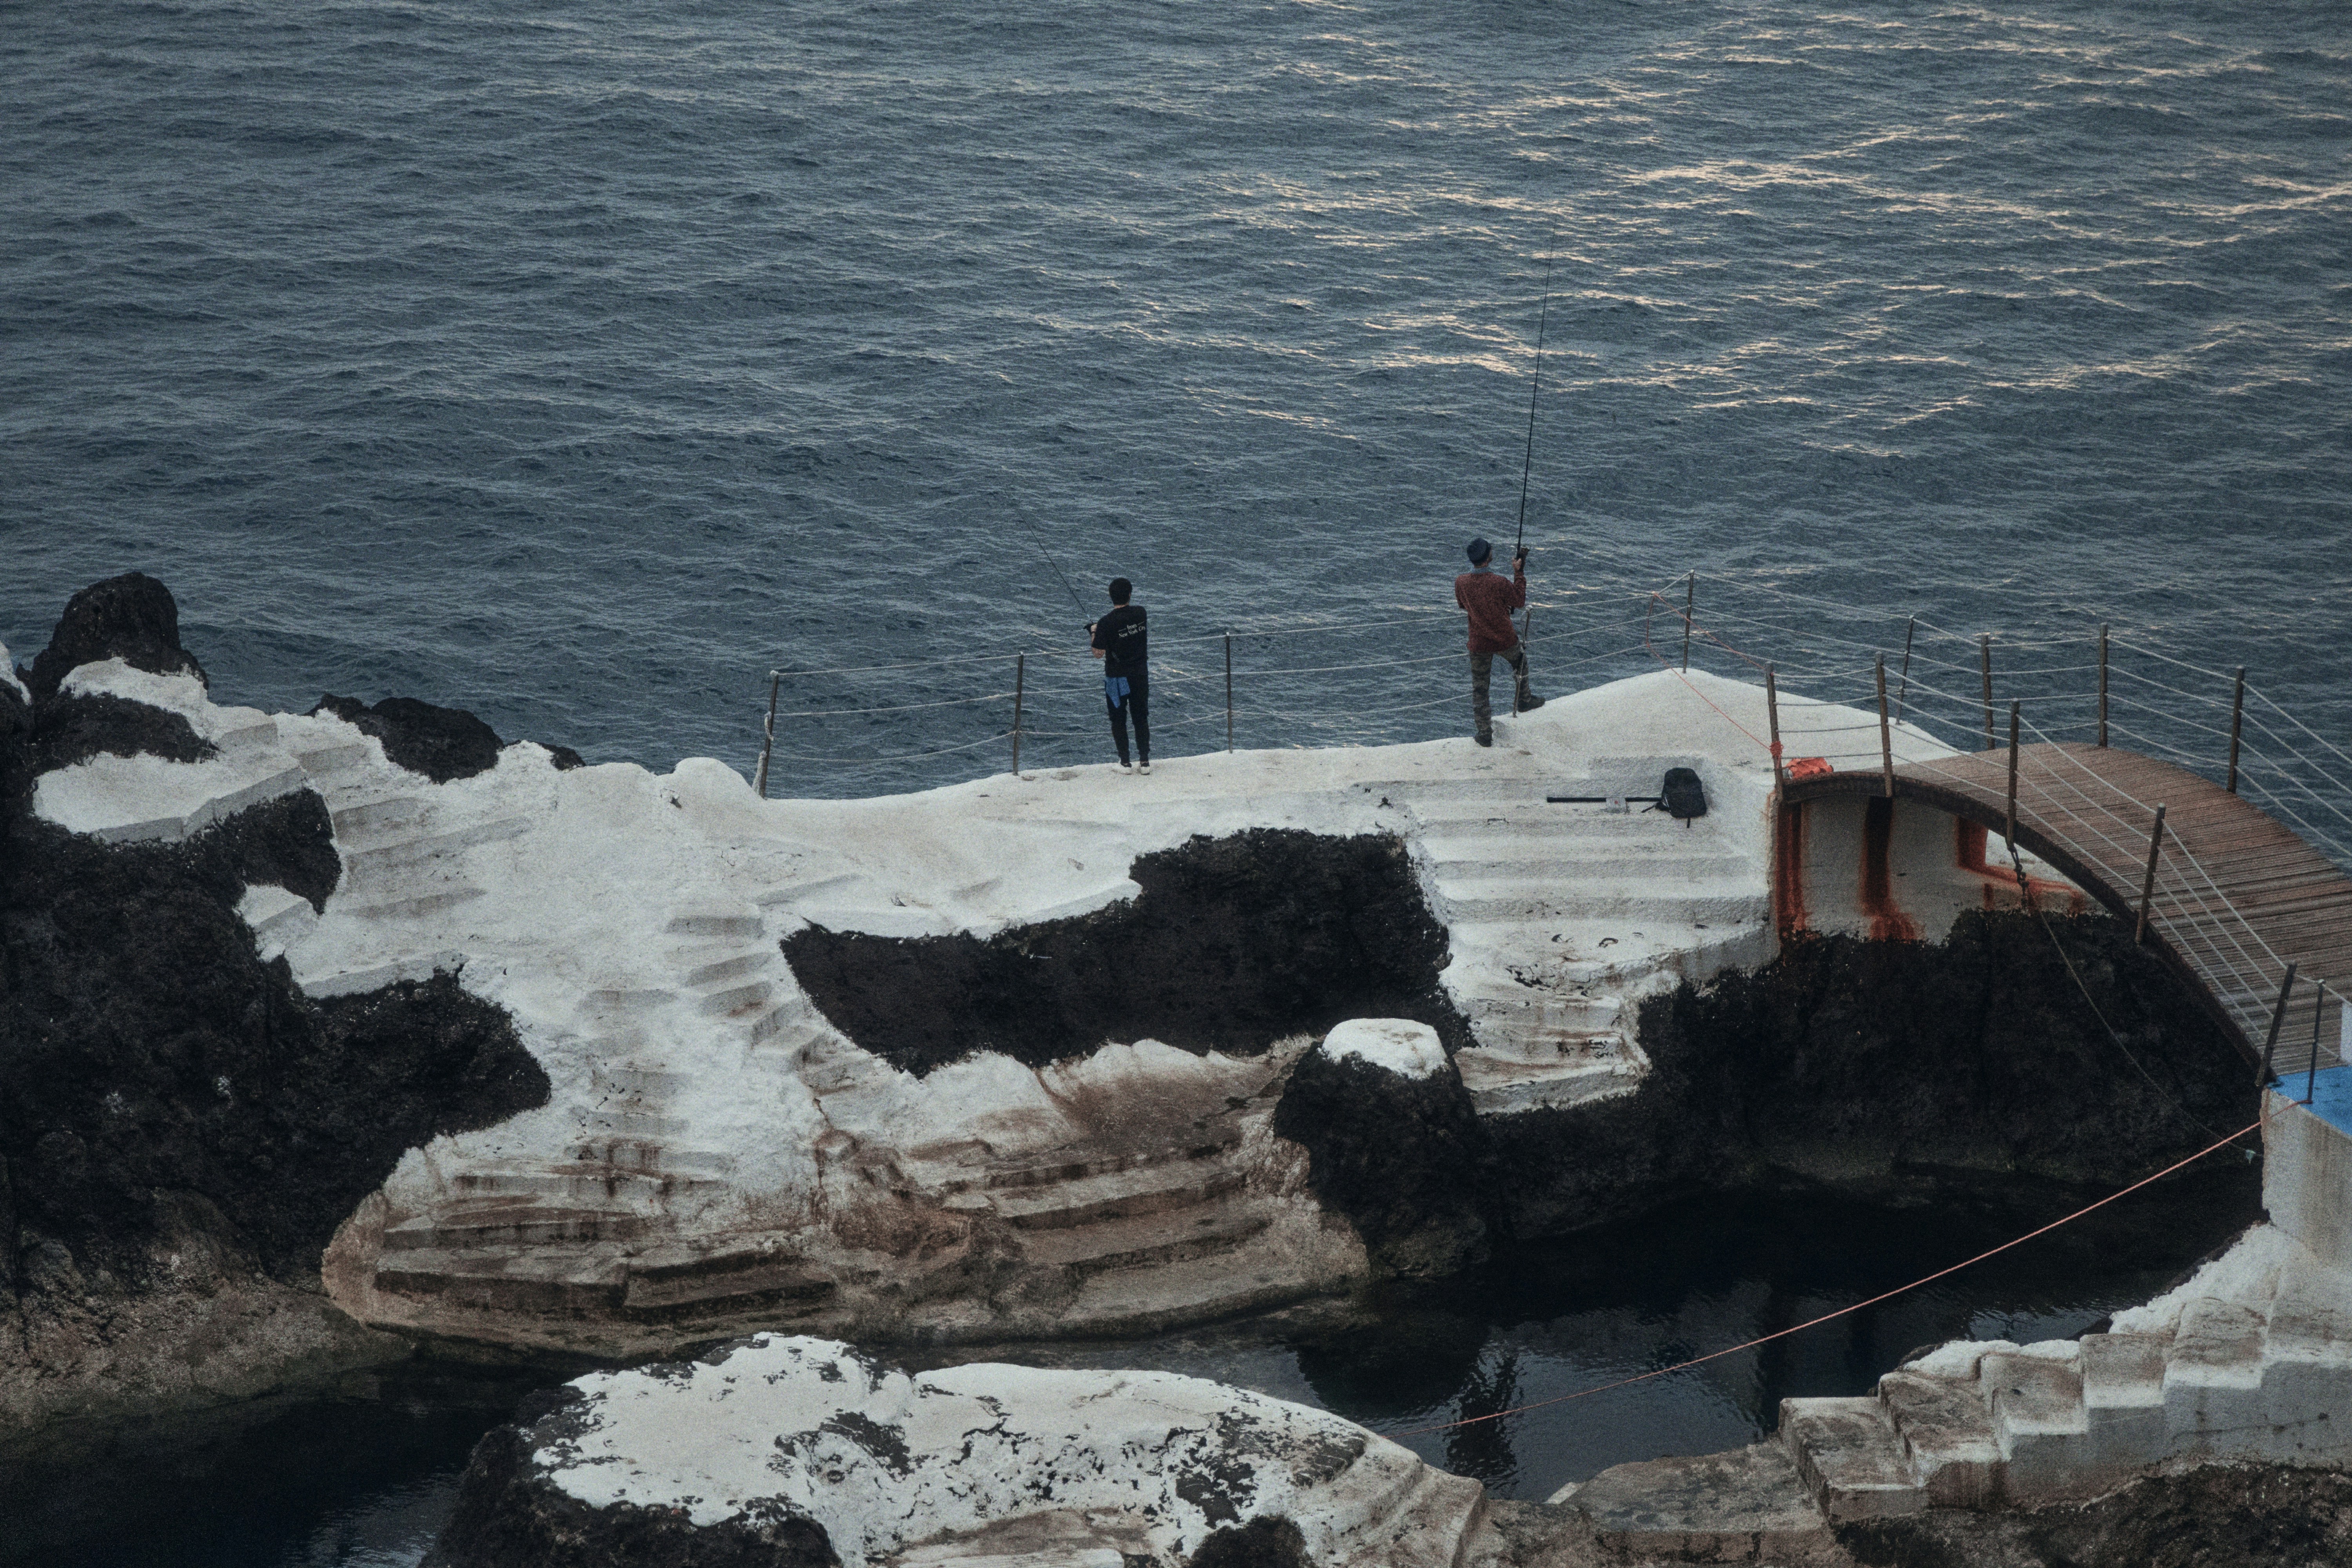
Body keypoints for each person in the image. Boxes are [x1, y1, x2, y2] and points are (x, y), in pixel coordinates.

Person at [1453, 537, 1541, 746]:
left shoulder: (1461, 582)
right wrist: (1519, 572)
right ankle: (1525, 700)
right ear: (1488, 558)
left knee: (1480, 689)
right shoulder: (1499, 582)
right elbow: (1519, 601)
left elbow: (1463, 605)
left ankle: (1484, 734)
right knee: (1520, 662)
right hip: (1504, 639)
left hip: (1478, 643)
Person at [1089, 577, 1150, 773]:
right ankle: (1145, 761)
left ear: (1111, 597)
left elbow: (1098, 653)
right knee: (1141, 717)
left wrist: (1093, 632)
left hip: (1117, 678)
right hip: (1140, 675)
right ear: (1130, 595)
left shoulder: (1105, 623)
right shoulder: (1141, 613)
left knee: (1118, 718)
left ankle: (1125, 762)